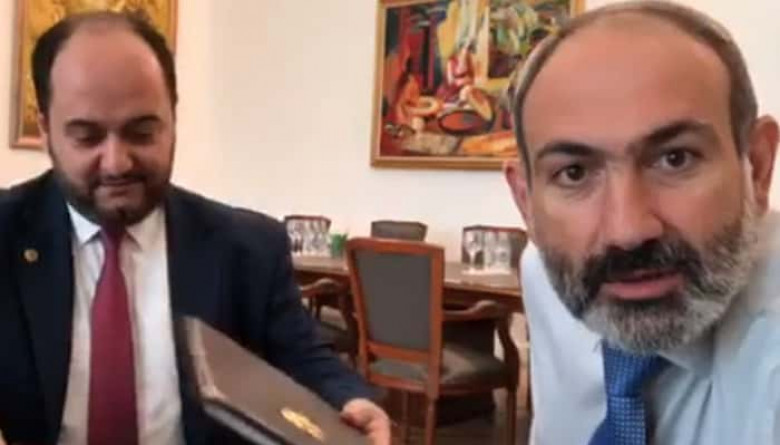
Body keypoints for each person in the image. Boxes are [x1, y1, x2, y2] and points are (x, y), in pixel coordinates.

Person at [0, 11, 390, 445]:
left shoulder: (247, 249)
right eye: (87, 137)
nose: (116, 163)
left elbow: (305, 359)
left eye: (141, 133)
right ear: (46, 131)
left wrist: (350, 401)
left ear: (173, 118)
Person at [503, 1, 780, 444]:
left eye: (675, 159)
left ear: (758, 168)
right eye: (574, 172)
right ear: (526, 204)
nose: (627, 232)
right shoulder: (547, 276)